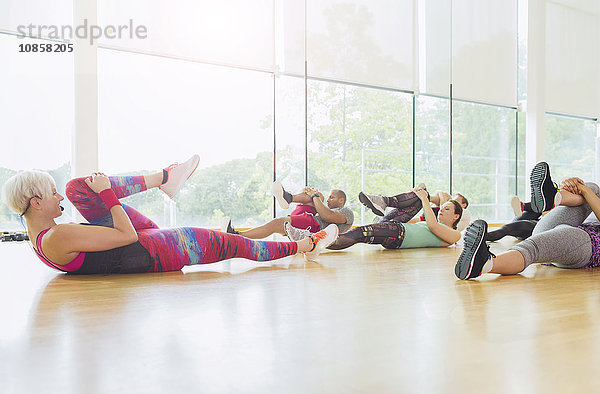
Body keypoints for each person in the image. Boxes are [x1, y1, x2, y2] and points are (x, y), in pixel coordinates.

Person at [1, 155, 339, 275]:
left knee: (78, 187)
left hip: (145, 245)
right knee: (230, 243)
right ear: (35, 202)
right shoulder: (57, 236)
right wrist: (106, 192)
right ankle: (305, 246)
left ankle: (166, 177)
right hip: (151, 250)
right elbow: (126, 236)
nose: (59, 197)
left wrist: (100, 191)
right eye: (51, 193)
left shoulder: (40, 238)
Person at [455, 161, 600, 280]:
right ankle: (553, 197)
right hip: (557, 231)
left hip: (588, 245)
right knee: (592, 187)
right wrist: (570, 185)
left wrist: (585, 191)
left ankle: (484, 264)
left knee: (532, 247)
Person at [308, 186, 463, 250]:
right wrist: (420, 196)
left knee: (359, 233)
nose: (441, 210)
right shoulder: (429, 222)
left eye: (446, 209)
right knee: (420, 193)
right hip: (396, 227)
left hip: (398, 235)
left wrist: (425, 200)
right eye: (441, 208)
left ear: (456, 216)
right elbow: (416, 219)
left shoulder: (454, 235)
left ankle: (312, 242)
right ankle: (384, 201)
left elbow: (433, 226)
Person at [223, 181, 354, 240]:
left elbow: (327, 216)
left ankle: (236, 236)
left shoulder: (347, 212)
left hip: (313, 228)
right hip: (309, 221)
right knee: (319, 195)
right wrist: (309, 194)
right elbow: (323, 210)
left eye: (332, 197)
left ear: (341, 201)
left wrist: (314, 195)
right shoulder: (328, 208)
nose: (329, 200)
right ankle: (288, 197)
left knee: (276, 224)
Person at [358, 184, 471, 232]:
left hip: (431, 220)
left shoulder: (464, 213)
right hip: (427, 217)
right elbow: (441, 194)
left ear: (463, 205)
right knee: (419, 196)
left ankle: (384, 202)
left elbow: (442, 200)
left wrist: (424, 195)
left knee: (421, 196)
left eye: (456, 200)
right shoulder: (446, 208)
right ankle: (384, 204)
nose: (452, 201)